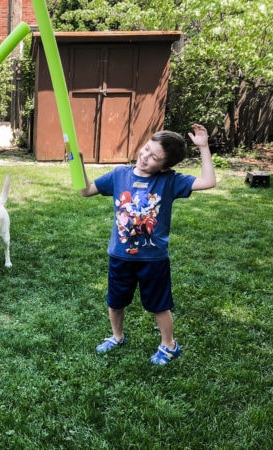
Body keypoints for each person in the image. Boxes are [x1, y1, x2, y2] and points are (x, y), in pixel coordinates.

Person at [80, 124, 216, 364]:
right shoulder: (119, 174)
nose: (145, 157)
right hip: (121, 256)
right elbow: (87, 190)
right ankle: (117, 337)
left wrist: (204, 147)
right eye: (146, 149)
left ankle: (169, 345)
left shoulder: (170, 181)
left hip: (153, 259)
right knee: (115, 301)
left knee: (159, 305)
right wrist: (78, 166)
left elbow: (208, 181)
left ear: (164, 166)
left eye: (154, 157)